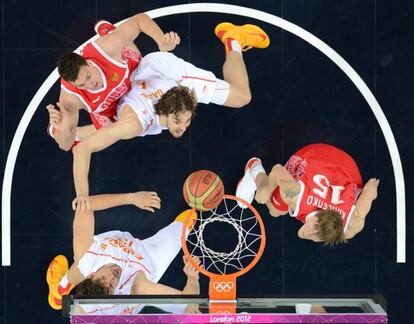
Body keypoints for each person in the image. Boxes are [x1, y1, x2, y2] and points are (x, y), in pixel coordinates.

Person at [72, 22, 270, 198]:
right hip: (147, 76)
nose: (183, 128)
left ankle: (231, 38)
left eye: (186, 120)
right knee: (132, 78)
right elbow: (83, 149)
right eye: (179, 122)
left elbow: (87, 142)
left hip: (168, 75)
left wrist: (75, 134)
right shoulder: (133, 122)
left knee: (242, 97)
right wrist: (82, 196)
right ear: (164, 113)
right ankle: (116, 40)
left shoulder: (186, 90)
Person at [46, 190, 200, 310]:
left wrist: (132, 198)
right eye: (111, 285)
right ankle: (62, 291)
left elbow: (86, 204)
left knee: (81, 263)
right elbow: (189, 304)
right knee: (188, 220)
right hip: (148, 257)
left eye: (102, 279)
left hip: (111, 247)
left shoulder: (87, 255)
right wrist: (192, 278)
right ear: (114, 293)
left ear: (93, 275)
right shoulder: (139, 287)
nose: (112, 277)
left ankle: (60, 289)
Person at [46, 15, 180, 151]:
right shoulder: (70, 100)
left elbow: (139, 21)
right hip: (107, 107)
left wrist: (161, 41)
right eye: (81, 85)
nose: (90, 85)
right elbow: (66, 145)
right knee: (115, 132)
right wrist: (61, 129)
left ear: (87, 62)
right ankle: (81, 134)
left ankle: (108, 31)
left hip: (129, 75)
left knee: (141, 64)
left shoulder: (106, 48)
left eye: (88, 76)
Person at [235, 143, 379, 245]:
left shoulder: (350, 228)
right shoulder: (295, 195)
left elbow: (369, 192)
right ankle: (254, 169)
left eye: (318, 237)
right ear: (317, 220)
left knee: (277, 205)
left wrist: (372, 186)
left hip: (346, 171)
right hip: (318, 155)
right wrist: (265, 189)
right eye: (313, 230)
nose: (307, 234)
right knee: (275, 209)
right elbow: (278, 170)